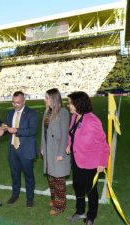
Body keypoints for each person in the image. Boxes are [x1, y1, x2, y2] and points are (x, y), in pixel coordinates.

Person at [66, 91, 109, 225]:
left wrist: (102, 162)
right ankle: (80, 211)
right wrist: (69, 145)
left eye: (70, 103)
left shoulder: (93, 121)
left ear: (78, 104)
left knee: (91, 190)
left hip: (91, 163)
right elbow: (71, 134)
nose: (68, 105)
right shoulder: (74, 117)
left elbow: (103, 144)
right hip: (77, 159)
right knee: (78, 186)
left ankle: (91, 216)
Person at [6, 91, 39, 208]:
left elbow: (32, 130)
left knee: (28, 175)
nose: (15, 105)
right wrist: (4, 128)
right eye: (13, 103)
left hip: (26, 149)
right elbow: (8, 129)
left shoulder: (32, 113)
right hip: (13, 149)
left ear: (24, 101)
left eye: (18, 103)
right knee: (14, 174)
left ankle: (30, 198)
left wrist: (16, 131)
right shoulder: (10, 113)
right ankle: (15, 195)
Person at [41, 88, 70, 215]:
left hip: (57, 150)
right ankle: (54, 199)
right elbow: (44, 131)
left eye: (47, 97)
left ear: (53, 99)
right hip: (48, 149)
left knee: (58, 180)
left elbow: (64, 135)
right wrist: (42, 146)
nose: (44, 99)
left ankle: (60, 206)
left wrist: (60, 153)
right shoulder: (47, 111)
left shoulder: (63, 112)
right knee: (51, 177)